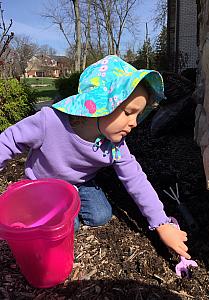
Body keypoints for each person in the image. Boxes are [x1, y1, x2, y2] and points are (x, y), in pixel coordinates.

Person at [0, 55, 190, 259]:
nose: (134, 122)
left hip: (80, 183)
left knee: (101, 216)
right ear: (103, 105)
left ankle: (71, 195)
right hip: (44, 185)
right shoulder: (50, 121)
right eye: (128, 112)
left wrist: (161, 223)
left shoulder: (114, 144)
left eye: (138, 115)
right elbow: (8, 140)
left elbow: (136, 179)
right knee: (65, 225)